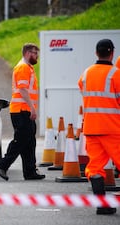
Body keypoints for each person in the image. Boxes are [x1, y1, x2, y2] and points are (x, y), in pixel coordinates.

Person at [78, 39, 120, 215]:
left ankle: (102, 205)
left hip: (91, 129)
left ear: (96, 53)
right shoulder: (116, 74)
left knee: (95, 168)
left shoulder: (85, 74)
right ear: (112, 53)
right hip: (112, 129)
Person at [0, 43, 45, 181]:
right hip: (22, 110)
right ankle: (2, 164)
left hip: (24, 110)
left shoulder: (28, 67)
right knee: (21, 140)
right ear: (28, 53)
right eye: (35, 53)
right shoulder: (23, 67)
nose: (37, 56)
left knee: (30, 142)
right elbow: (22, 90)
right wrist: (32, 108)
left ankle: (30, 171)